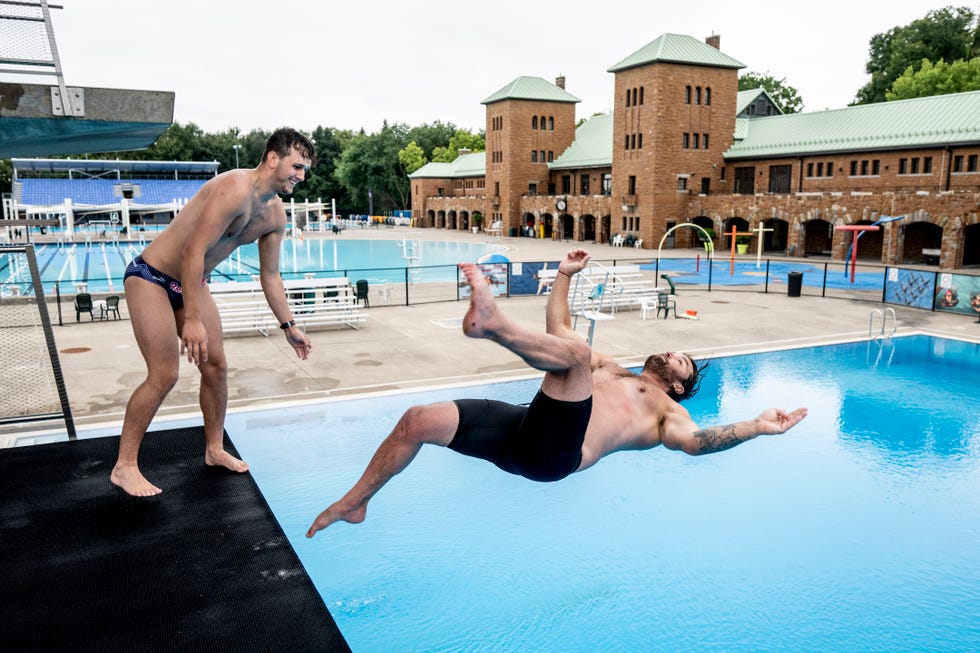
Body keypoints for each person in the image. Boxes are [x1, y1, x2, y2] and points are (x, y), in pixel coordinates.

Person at [306, 248, 808, 537]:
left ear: (679, 383)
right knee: (418, 419)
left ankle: (492, 324)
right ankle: (354, 503)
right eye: (677, 349)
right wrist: (565, 276)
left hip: (556, 456)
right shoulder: (609, 368)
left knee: (573, 355)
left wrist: (758, 428)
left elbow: (699, 442)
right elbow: (559, 325)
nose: (674, 351)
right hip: (526, 430)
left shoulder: (666, 411)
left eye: (682, 360)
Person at [111, 128, 316, 497]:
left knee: (217, 366)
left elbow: (270, 275)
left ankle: (214, 449)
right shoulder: (234, 189)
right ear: (273, 159)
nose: (301, 176)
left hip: (193, 282)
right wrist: (191, 319)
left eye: (305, 170)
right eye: (297, 166)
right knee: (165, 373)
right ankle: (124, 467)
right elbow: (192, 251)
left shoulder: (274, 215)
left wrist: (289, 325)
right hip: (152, 277)